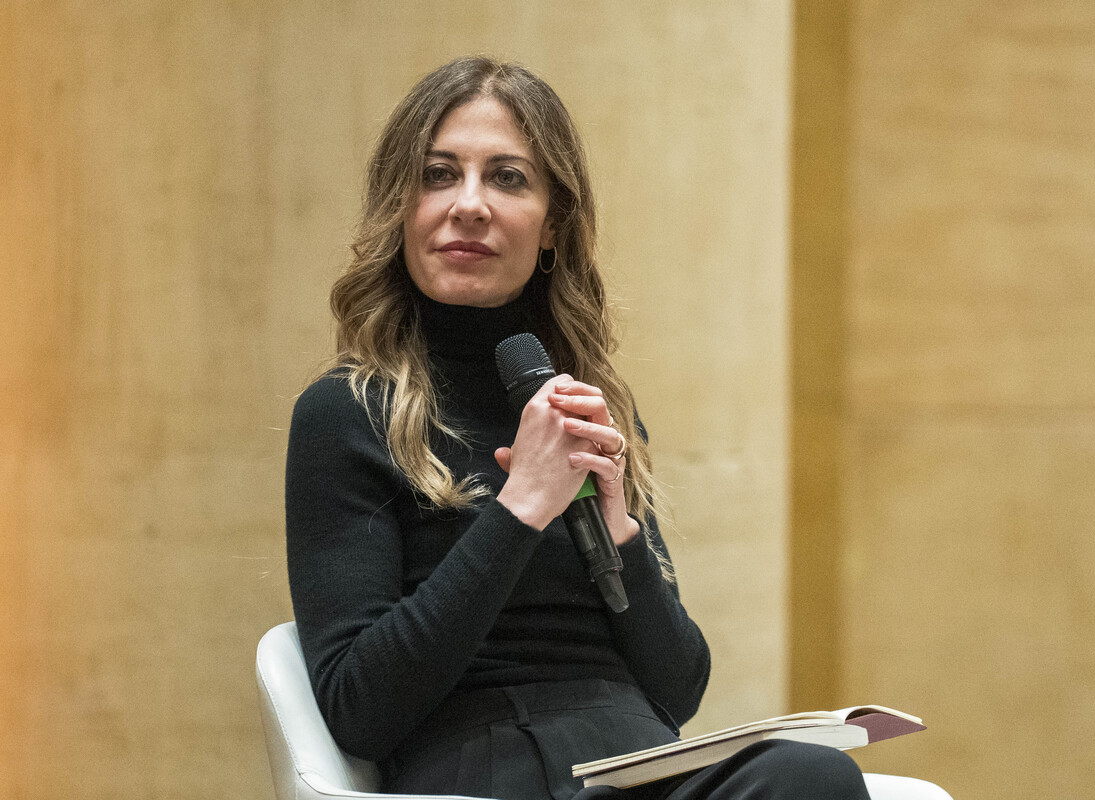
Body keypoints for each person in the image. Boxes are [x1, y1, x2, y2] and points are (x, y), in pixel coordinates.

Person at [285, 56, 869, 800]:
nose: (470, 204)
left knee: (810, 773)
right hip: (485, 771)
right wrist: (520, 508)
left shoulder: (587, 410)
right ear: (400, 210)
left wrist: (620, 536)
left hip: (636, 764)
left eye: (507, 178)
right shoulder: (346, 413)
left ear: (553, 224)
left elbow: (678, 689)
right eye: (438, 175)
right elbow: (359, 710)